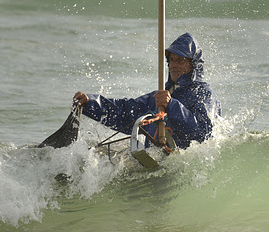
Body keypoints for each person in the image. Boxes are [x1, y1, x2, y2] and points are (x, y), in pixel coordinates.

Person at [73, 33, 221, 149]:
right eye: (171, 60)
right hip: (154, 157)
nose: (173, 65)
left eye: (180, 60)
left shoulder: (204, 94)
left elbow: (204, 134)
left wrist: (172, 106)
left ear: (193, 64)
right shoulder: (161, 95)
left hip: (183, 162)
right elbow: (125, 111)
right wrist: (89, 103)